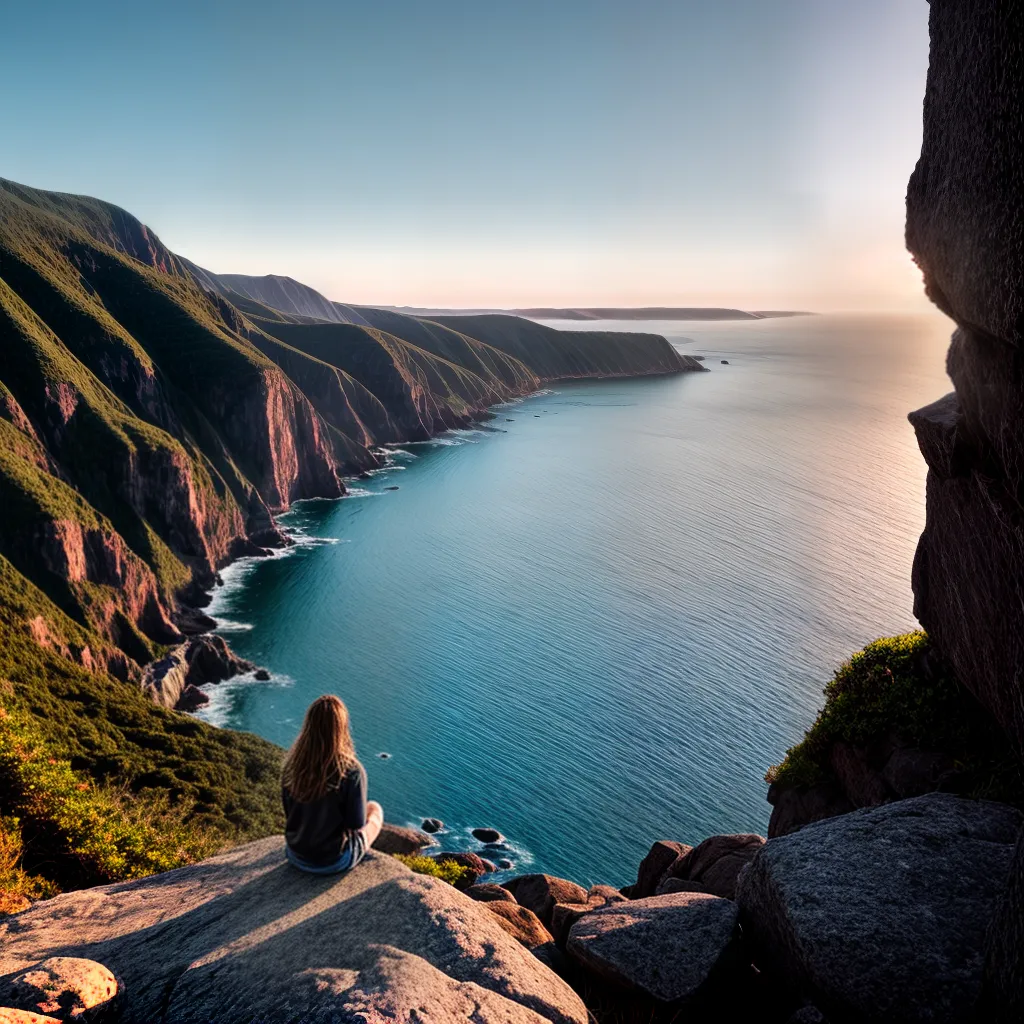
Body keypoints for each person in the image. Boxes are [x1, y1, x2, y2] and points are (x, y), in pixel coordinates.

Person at [282, 694, 383, 874]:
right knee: (374, 809)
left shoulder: (292, 765)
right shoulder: (351, 771)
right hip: (333, 861)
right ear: (341, 728)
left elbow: (289, 811)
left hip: (295, 854)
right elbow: (356, 824)